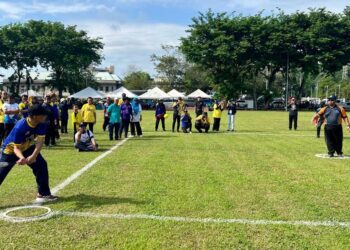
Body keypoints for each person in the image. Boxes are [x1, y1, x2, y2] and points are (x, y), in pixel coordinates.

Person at [0, 104, 58, 202]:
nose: (45, 116)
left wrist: (33, 156)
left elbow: (40, 142)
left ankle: (43, 194)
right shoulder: (21, 126)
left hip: (26, 148)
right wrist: (22, 158)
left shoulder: (42, 123)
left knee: (41, 165)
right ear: (35, 116)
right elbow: (16, 149)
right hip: (10, 151)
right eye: (43, 114)